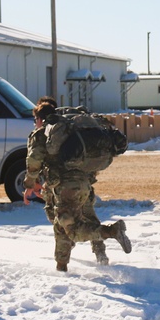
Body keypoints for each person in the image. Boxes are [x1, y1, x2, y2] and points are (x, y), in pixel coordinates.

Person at [22, 98, 131, 272]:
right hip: (85, 183)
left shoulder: (44, 133)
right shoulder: (68, 129)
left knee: (69, 227)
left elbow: (34, 161)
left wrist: (29, 184)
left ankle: (111, 232)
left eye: (35, 120)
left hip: (65, 186)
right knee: (80, 218)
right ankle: (87, 258)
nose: (35, 124)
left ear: (40, 119)